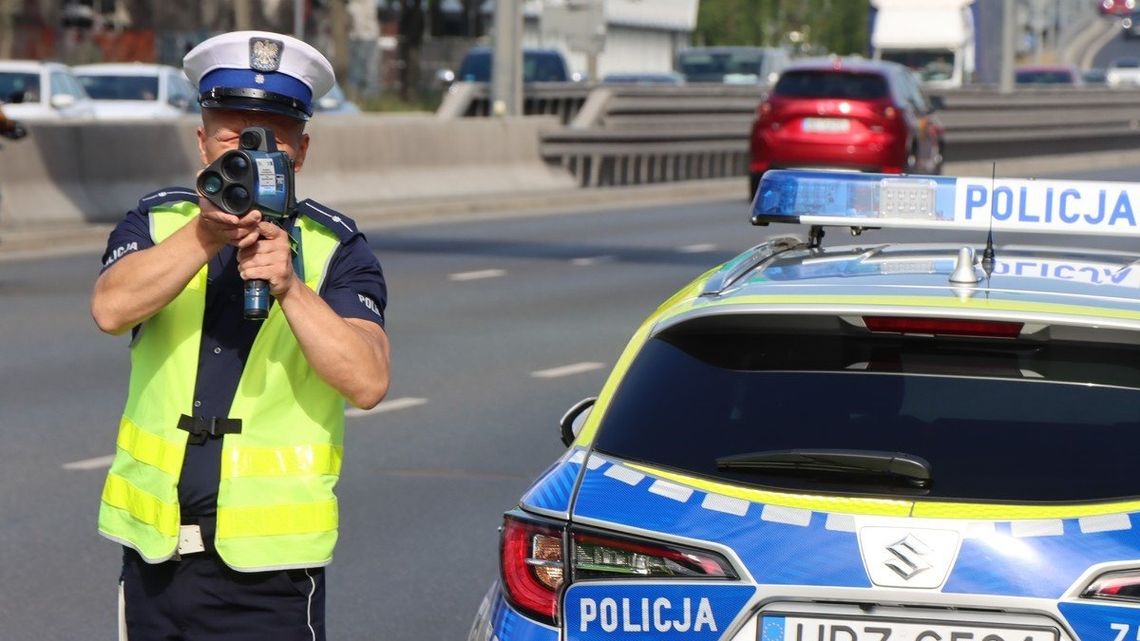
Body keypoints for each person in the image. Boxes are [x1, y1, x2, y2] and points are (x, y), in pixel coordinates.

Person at [90, 30, 390, 641]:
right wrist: (204, 236)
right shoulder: (159, 222)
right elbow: (110, 308)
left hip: (269, 576)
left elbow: (367, 381)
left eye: (273, 138)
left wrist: (292, 289)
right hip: (155, 560)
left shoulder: (335, 248)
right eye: (234, 138)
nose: (253, 154)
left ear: (301, 151)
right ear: (202, 142)